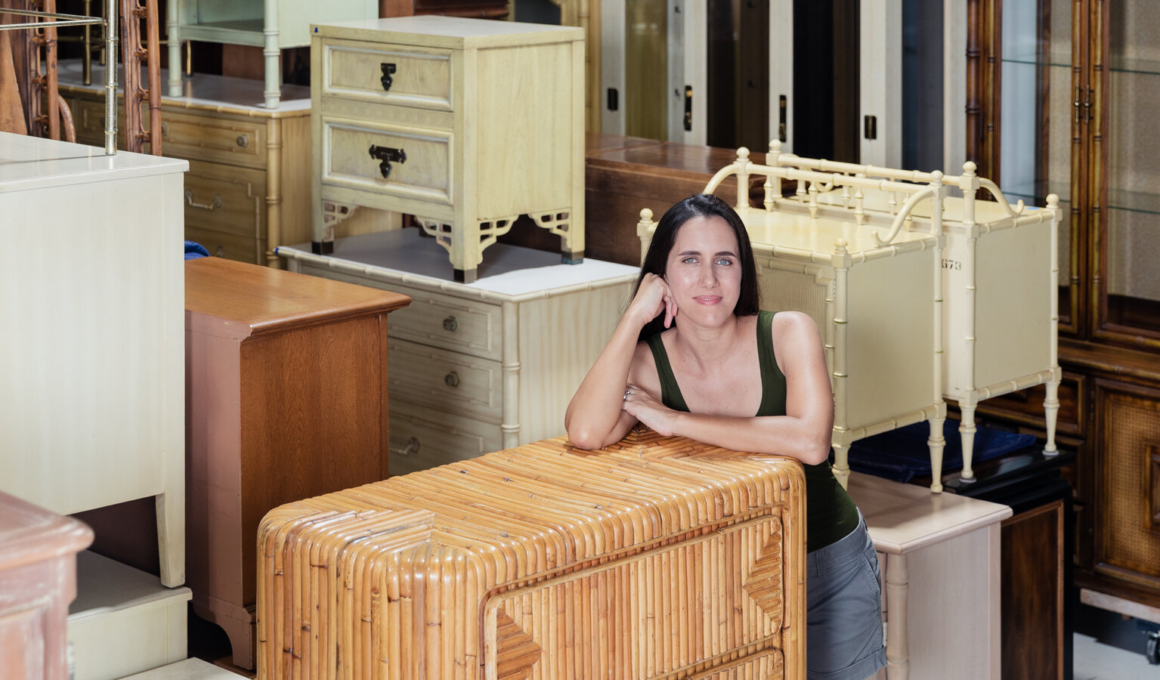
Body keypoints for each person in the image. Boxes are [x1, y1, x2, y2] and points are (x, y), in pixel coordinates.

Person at [565, 193, 887, 680]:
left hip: (824, 563)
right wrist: (633, 318)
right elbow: (586, 431)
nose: (709, 279)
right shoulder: (648, 362)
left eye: (724, 260)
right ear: (661, 274)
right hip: (722, 577)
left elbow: (810, 442)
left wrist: (677, 421)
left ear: (743, 272)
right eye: (689, 260)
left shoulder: (789, 333)